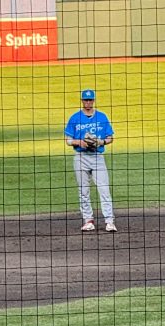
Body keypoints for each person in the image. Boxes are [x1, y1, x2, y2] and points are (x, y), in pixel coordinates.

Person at [64, 89, 117, 234]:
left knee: (104, 189)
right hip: (81, 158)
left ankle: (109, 221)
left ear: (93, 101)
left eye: (90, 100)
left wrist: (102, 142)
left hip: (97, 158)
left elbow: (110, 137)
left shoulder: (101, 117)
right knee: (83, 191)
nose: (88, 103)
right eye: (85, 100)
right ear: (82, 101)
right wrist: (78, 142)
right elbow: (68, 140)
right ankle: (88, 221)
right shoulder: (75, 118)